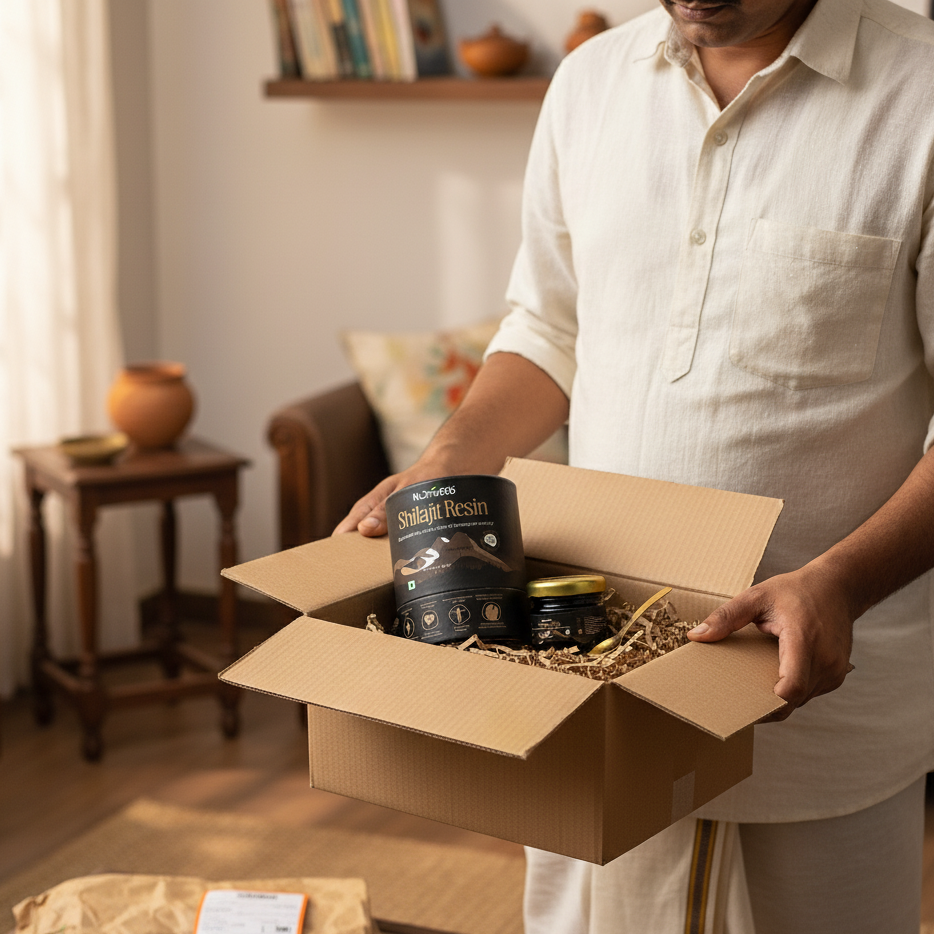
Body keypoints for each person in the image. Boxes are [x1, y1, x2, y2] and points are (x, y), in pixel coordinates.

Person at [336, 0, 934, 929]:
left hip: (822, 716)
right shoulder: (588, 85)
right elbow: (548, 328)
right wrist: (447, 460)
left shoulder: (921, 89)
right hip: (590, 682)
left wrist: (843, 582)